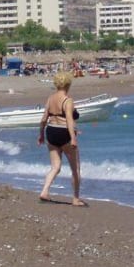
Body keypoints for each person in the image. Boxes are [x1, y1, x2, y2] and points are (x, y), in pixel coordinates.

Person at [37, 71, 87, 206]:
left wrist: (41, 134)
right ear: (68, 84)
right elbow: (69, 120)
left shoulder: (50, 99)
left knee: (55, 167)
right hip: (64, 133)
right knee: (75, 169)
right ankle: (75, 198)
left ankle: (44, 191)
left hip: (51, 131)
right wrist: (73, 138)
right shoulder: (68, 100)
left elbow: (43, 119)